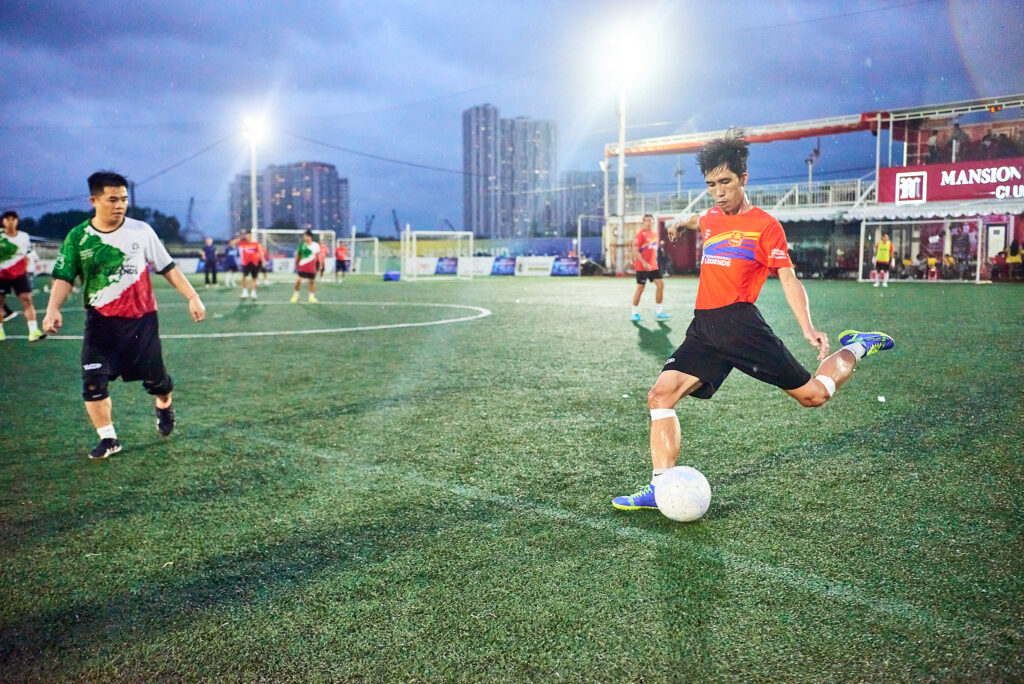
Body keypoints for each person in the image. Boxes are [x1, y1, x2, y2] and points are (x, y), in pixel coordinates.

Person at [611, 135, 894, 512]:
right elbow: (699, 219)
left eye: (725, 182)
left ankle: (857, 345)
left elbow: (789, 278)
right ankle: (660, 486)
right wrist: (680, 222)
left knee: (813, 396)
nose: (718, 193)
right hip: (705, 328)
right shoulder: (711, 217)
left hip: (742, 326)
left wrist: (807, 327)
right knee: (660, 396)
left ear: (743, 178)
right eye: (711, 185)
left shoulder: (766, 226)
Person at [41, 171, 206, 460]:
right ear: (94, 200)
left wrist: (192, 296)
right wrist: (52, 308)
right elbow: (64, 277)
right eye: (112, 199)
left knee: (157, 383)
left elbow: (167, 267)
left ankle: (164, 405)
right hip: (100, 322)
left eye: (124, 199)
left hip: (142, 321)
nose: (120, 205)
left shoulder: (141, 231)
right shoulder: (79, 237)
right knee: (92, 382)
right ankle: (109, 438)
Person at [0, 210, 46, 342]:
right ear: (3, 221)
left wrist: (25, 270)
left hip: (19, 274)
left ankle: (33, 331)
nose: (10, 222)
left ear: (17, 221)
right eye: (7, 219)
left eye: (13, 219)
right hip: (2, 273)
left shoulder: (24, 236)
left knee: (27, 299)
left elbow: (26, 254)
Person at [630, 214, 670, 322]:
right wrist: (643, 262)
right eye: (646, 221)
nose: (648, 222)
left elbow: (652, 252)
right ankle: (634, 312)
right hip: (642, 267)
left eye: (650, 220)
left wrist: (653, 263)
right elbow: (635, 250)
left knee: (660, 285)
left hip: (653, 267)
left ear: (653, 222)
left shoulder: (654, 235)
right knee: (640, 288)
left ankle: (659, 312)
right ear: (643, 223)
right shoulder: (640, 235)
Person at [290, 230, 320, 303]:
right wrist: (295, 264)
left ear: (310, 237)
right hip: (302, 265)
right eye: (304, 236)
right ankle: (295, 295)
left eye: (305, 236)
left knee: (312, 282)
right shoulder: (301, 245)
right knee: (298, 281)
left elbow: (317, 256)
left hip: (312, 267)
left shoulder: (316, 245)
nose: (304, 238)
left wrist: (318, 265)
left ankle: (311, 297)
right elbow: (298, 256)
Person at [237, 230, 263, 298]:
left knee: (254, 278)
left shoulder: (256, 244)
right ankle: (244, 292)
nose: (248, 237)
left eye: (250, 235)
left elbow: (260, 253)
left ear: (252, 236)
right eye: (247, 235)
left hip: (254, 263)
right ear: (245, 236)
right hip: (245, 263)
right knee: (244, 278)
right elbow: (233, 242)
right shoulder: (242, 243)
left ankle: (253, 292)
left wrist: (262, 262)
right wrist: (241, 237)